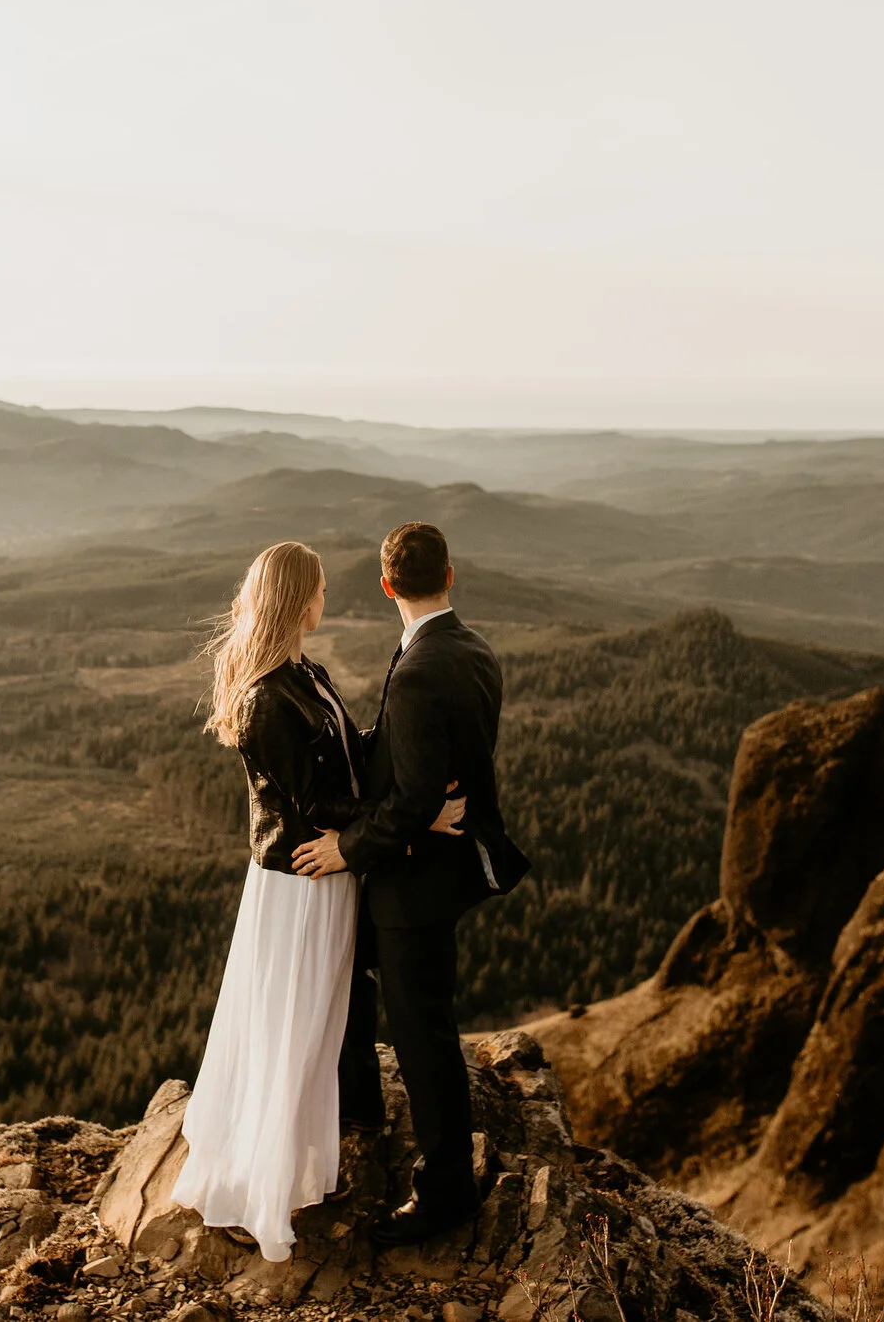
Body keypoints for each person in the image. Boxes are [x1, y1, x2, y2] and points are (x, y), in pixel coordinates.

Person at [169, 540, 467, 1262]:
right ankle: (252, 1184)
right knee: (292, 1021)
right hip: (299, 880)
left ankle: (306, 1151)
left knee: (322, 1018)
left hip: (329, 876)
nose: (326, 598)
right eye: (321, 588)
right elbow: (318, 798)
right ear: (299, 597)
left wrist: (405, 759)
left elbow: (349, 755)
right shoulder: (268, 694)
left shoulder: (305, 671)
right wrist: (419, 814)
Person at [294, 521, 530, 1249]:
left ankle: (447, 1190)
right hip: (438, 873)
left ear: (387, 584)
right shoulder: (471, 646)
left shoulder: (423, 664)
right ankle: (359, 1103)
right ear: (450, 576)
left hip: (414, 885)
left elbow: (418, 793)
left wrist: (348, 847)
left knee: (424, 1033)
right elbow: (420, 762)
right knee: (381, 990)